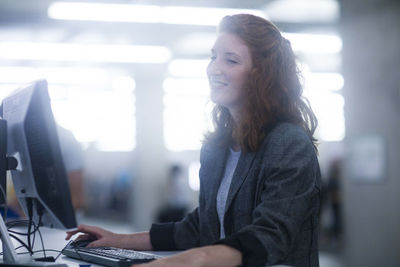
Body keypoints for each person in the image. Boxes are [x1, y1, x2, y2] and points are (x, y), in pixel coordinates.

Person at [66, 14, 321, 267]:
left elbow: (269, 237)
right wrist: (118, 240)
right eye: (213, 56)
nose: (214, 68)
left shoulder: (289, 143)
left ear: (262, 75)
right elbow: (200, 227)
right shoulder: (217, 147)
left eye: (230, 60)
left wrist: (188, 260)